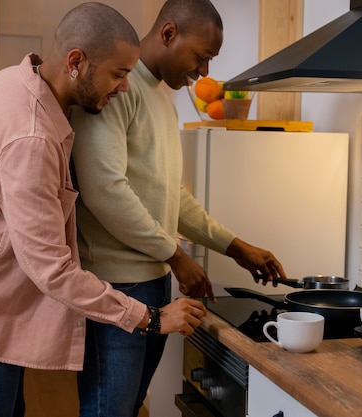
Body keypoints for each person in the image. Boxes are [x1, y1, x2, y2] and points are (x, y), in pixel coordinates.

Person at [0, 3, 207, 417]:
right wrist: (151, 319)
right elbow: (53, 269)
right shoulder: (30, 137)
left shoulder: (14, 80)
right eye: (118, 74)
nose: (124, 88)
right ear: (76, 62)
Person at [69, 1, 287, 416]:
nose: (204, 72)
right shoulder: (117, 88)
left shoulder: (162, 99)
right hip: (116, 287)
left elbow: (173, 196)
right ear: (169, 34)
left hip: (151, 282)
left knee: (127, 408)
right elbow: (104, 190)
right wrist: (175, 255)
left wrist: (235, 247)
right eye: (201, 57)